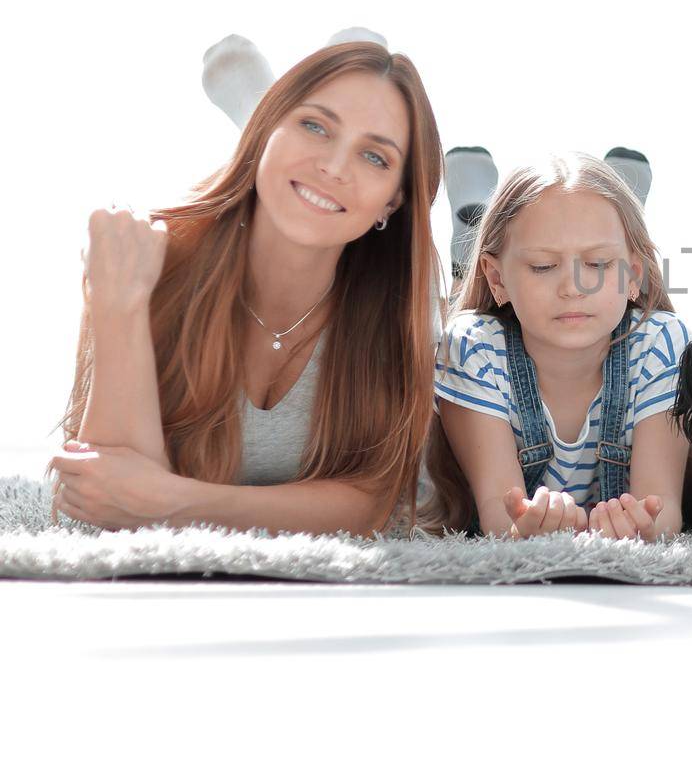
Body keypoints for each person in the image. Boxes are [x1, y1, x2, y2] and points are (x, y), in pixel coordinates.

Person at [51, 41, 446, 534]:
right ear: (267, 130)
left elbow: (367, 503)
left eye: (374, 156)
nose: (335, 167)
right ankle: (267, 109)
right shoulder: (151, 263)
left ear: (393, 201)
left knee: (443, 295)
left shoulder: (398, 307)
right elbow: (104, 492)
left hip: (395, 276)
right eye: (314, 125)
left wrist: (174, 499)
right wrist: (118, 306)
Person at [424, 152, 692, 539]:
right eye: (543, 267)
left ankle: (607, 223)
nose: (571, 289)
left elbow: (663, 512)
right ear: (497, 279)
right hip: (490, 327)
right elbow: (499, 519)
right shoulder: (472, 349)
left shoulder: (661, 344)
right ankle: (468, 236)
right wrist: (523, 528)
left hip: (625, 306)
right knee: (456, 311)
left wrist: (643, 526)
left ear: (635, 276)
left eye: (598, 264)